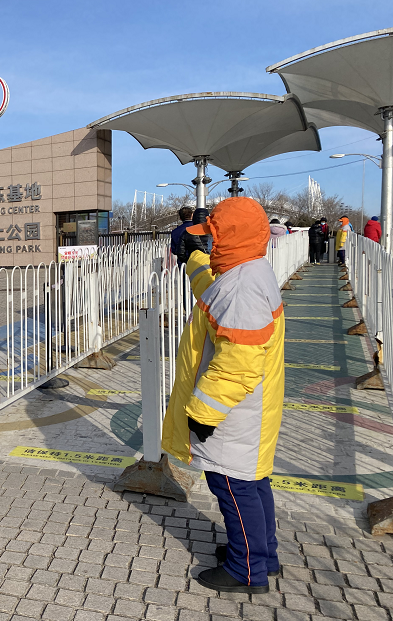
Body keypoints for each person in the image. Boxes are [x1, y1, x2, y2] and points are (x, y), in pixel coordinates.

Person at [162, 197, 285, 595]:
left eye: (213, 237)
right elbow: (213, 295)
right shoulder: (248, 271)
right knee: (253, 481)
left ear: (231, 237)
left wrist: (202, 412)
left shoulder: (242, 289)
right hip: (250, 407)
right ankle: (263, 554)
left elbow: (238, 362)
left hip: (233, 412)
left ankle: (246, 570)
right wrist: (195, 261)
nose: (209, 244)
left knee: (233, 487)